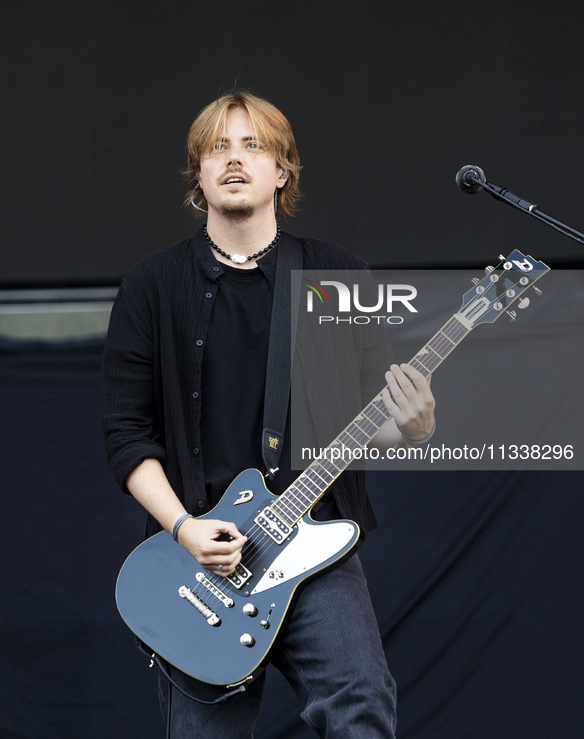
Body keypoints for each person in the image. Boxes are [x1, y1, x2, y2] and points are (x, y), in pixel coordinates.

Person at [102, 91, 435, 738]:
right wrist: (183, 528)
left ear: (283, 171)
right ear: (197, 173)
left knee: (361, 707)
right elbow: (125, 434)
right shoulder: (152, 285)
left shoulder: (338, 275)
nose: (234, 158)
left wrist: (415, 423)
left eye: (253, 145)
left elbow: (381, 424)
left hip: (314, 547)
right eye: (217, 147)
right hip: (199, 557)